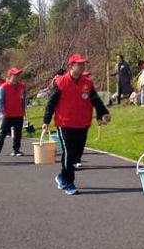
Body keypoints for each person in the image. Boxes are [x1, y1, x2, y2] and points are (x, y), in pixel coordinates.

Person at [42, 54, 111, 195]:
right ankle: (69, 182)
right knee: (68, 152)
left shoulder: (87, 82)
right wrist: (46, 121)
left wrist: (103, 112)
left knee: (76, 154)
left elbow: (95, 99)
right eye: (79, 64)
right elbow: (51, 103)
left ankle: (62, 176)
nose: (82, 66)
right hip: (65, 123)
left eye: (83, 64)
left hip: (83, 123)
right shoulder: (60, 82)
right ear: (71, 66)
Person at [0, 67, 28, 156]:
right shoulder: (4, 87)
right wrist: (1, 112)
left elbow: (23, 100)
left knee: (18, 133)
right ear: (10, 76)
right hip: (7, 114)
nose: (17, 77)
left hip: (18, 113)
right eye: (15, 75)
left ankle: (16, 149)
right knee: (3, 132)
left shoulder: (22, 87)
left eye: (18, 75)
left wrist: (24, 111)